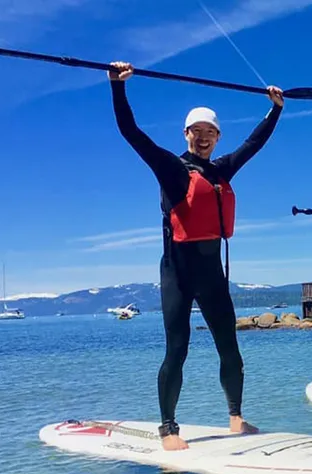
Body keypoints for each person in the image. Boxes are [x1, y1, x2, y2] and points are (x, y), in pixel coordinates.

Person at [108, 61, 285, 451]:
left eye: (210, 133)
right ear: (186, 134)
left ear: (218, 137)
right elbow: (131, 133)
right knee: (178, 349)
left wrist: (275, 109)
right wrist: (117, 87)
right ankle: (168, 429)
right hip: (177, 270)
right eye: (197, 132)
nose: (203, 138)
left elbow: (253, 145)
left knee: (230, 349)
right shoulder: (172, 168)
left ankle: (236, 419)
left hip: (211, 271)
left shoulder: (221, 172)